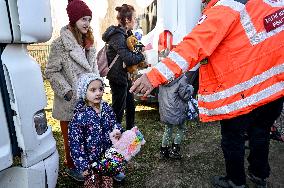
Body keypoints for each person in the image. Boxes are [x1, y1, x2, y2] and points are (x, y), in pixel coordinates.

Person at [130, 0, 284, 187]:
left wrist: (154, 76)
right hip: (274, 88)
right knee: (261, 132)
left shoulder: (227, 6)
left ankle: (236, 181)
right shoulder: (272, 3)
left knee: (232, 139)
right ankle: (259, 175)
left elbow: (193, 46)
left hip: (243, 93)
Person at [45, 0, 99, 181]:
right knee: (71, 138)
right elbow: (51, 71)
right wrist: (67, 91)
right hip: (70, 102)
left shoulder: (89, 43)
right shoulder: (59, 45)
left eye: (89, 19)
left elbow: (94, 69)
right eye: (83, 18)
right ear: (74, 19)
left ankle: (87, 163)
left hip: (89, 100)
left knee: (88, 136)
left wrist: (98, 87)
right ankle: (72, 166)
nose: (87, 23)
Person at [68, 73, 123, 188]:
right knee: (93, 183)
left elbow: (114, 122)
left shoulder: (106, 108)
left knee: (107, 183)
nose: (98, 93)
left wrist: (117, 130)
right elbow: (76, 144)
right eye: (93, 90)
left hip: (107, 157)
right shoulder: (80, 116)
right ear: (84, 92)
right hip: (90, 162)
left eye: (100, 89)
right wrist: (83, 165)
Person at [102, 4, 145, 130]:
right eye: (135, 18)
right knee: (118, 109)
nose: (136, 21)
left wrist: (140, 51)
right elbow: (128, 58)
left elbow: (137, 49)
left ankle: (130, 133)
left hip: (126, 75)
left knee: (131, 106)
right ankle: (114, 137)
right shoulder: (117, 36)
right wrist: (141, 57)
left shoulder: (128, 33)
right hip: (117, 76)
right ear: (127, 20)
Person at [159, 74, 194, 160]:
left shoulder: (162, 77)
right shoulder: (182, 78)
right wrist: (191, 88)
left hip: (165, 109)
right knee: (181, 128)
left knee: (168, 129)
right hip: (177, 110)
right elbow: (185, 95)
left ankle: (164, 150)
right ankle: (174, 150)